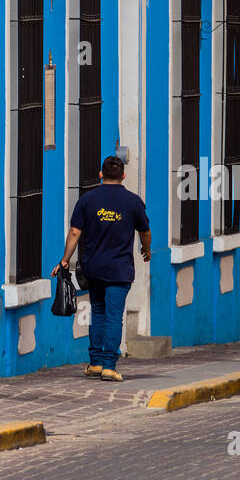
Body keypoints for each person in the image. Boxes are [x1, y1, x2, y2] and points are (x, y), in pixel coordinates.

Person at [52, 155, 151, 382]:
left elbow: (75, 232)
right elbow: (145, 231)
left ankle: (95, 362)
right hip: (119, 269)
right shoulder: (133, 201)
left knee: (98, 312)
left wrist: (65, 259)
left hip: (93, 268)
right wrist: (146, 249)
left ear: (100, 175)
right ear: (123, 176)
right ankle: (108, 365)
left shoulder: (87, 200)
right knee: (114, 316)